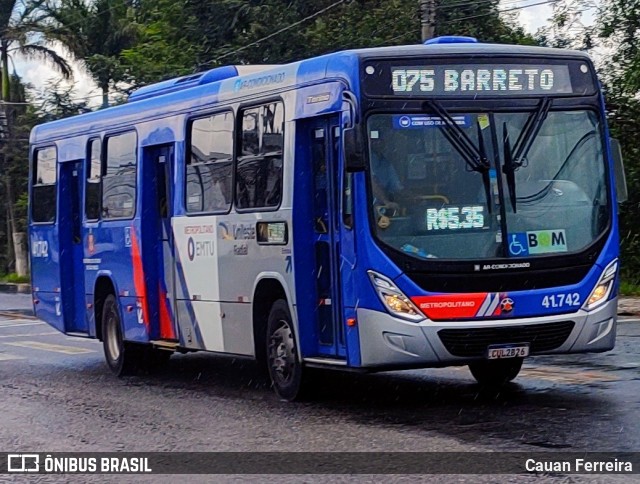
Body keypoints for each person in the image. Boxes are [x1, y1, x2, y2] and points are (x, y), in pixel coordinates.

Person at [369, 136, 403, 214]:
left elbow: (397, 187)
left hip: (381, 209)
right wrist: (386, 201)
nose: (378, 144)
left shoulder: (386, 164)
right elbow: (371, 181)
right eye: (375, 141)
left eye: (381, 141)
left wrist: (413, 196)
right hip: (366, 208)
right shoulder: (367, 159)